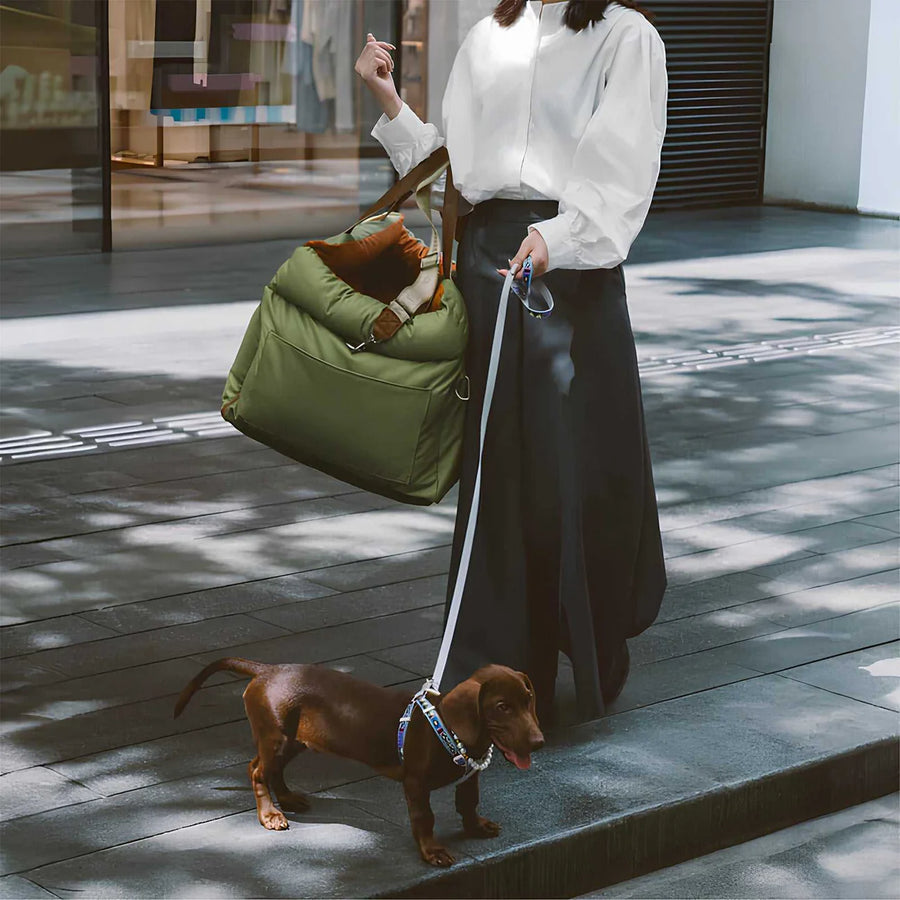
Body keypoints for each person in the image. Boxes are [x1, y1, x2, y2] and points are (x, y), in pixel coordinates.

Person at [355, 0, 668, 726]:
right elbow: (455, 181)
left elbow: (623, 178)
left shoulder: (627, 37)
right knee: (495, 482)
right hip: (490, 265)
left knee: (578, 470)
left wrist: (559, 241)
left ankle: (589, 649)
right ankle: (490, 678)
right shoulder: (486, 35)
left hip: (572, 274)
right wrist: (389, 99)